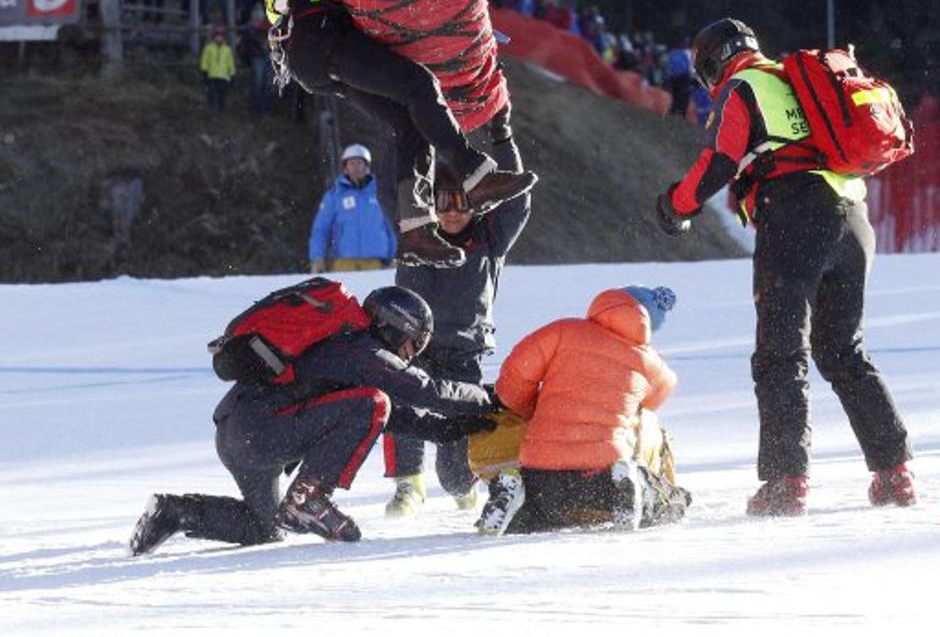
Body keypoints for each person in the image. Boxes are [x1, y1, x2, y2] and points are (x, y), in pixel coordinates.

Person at [203, 0, 534, 268]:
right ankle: (474, 172)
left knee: (409, 121)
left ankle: (415, 230)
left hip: (325, 46)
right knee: (419, 84)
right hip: (314, 35)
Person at [656, 17, 916, 517]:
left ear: (711, 64)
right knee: (845, 351)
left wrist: (677, 206)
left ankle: (786, 481)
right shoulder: (797, 79)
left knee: (780, 353)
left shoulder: (742, 86)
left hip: (795, 217)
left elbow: (719, 162)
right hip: (853, 219)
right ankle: (895, 473)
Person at [128, 284, 493, 555]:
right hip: (264, 429)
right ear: (396, 326)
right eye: (414, 344)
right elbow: (422, 391)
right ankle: (309, 498)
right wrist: (489, 397)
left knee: (264, 527)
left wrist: (442, 429)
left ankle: (173, 512)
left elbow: (379, 414)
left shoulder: (341, 347)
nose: (409, 356)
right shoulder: (360, 348)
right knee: (373, 402)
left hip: (239, 430)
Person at [474, 285, 690, 535]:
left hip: (542, 473)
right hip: (603, 473)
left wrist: (531, 409)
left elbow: (514, 377)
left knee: (535, 516)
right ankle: (636, 486)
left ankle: (515, 491)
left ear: (600, 307)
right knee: (670, 501)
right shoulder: (649, 361)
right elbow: (655, 401)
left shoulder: (563, 331)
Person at [383, 167, 531, 517]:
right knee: (402, 409)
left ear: (477, 204)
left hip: (463, 352)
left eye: (461, 202)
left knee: (453, 471)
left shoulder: (491, 238)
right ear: (429, 203)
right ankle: (408, 486)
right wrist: (413, 134)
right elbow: (390, 185)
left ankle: (463, 490)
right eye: (443, 201)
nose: (452, 211)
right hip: (411, 345)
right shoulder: (414, 230)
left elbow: (519, 196)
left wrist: (501, 135)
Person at [308, 143, 397, 272]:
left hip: (375, 261)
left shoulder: (380, 193)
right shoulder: (334, 195)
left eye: (359, 163)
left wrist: (395, 255)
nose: (356, 167)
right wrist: (317, 257)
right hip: (343, 262)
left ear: (367, 166)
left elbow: (392, 227)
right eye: (351, 163)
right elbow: (321, 229)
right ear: (345, 168)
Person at [199, 26, 236, 110]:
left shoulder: (227, 50)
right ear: (213, 37)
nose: (219, 38)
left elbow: (230, 63)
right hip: (212, 75)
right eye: (217, 36)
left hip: (223, 76)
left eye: (221, 36)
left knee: (222, 94)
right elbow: (205, 60)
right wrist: (204, 71)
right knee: (211, 93)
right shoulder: (208, 48)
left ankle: (222, 109)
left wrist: (232, 74)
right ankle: (212, 109)